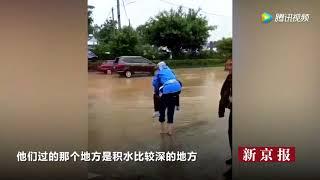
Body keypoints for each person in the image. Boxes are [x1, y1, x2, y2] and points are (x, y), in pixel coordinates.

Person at [152, 61, 182, 135]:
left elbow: (155, 84)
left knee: (162, 110)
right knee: (171, 112)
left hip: (166, 93)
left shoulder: (159, 73)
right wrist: (177, 104)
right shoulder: (171, 71)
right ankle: (170, 131)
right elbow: (176, 81)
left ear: (159, 67)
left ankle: (162, 130)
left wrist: (156, 92)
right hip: (177, 90)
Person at [219, 59, 232, 165]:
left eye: (230, 65)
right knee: (231, 132)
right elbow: (224, 93)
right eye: (227, 65)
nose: (228, 67)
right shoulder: (229, 77)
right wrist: (222, 108)